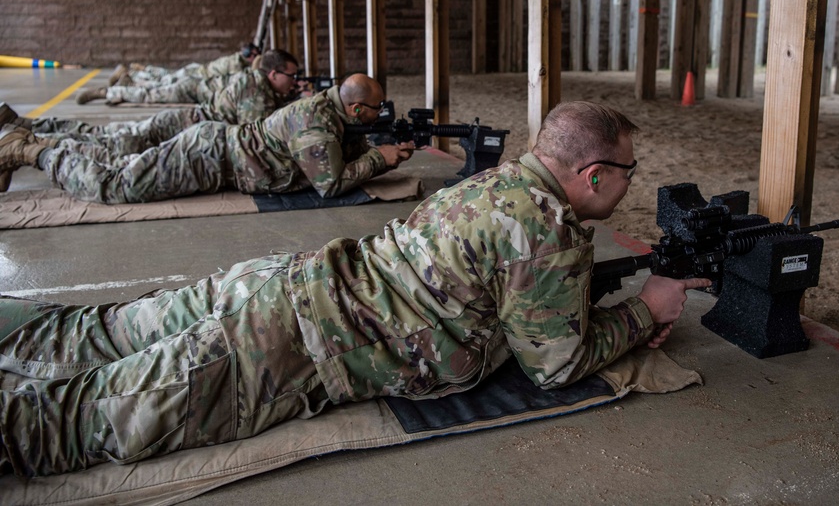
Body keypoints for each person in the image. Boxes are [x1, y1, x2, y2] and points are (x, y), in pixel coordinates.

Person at [0, 101, 706, 477]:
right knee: (70, 423)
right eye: (627, 170)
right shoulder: (545, 227)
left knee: (95, 334)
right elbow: (553, 363)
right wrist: (644, 311)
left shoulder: (500, 182)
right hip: (285, 344)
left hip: (278, 282)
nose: (629, 180)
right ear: (592, 175)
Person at [0, 73, 415, 200]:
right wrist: (383, 158)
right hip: (208, 156)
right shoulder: (314, 121)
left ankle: (34, 143)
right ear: (356, 108)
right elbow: (332, 182)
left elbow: (343, 152)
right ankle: (27, 151)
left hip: (215, 148)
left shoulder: (334, 114)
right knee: (116, 184)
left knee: (120, 162)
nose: (379, 114)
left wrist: (374, 145)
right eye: (376, 109)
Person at [1, 49, 301, 158]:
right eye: (291, 76)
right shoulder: (256, 89)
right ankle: (32, 141)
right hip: (180, 128)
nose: (294, 81)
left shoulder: (256, 83)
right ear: (273, 74)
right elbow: (258, 130)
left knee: (107, 135)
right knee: (108, 145)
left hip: (180, 123)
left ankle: (34, 126)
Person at [76, 43, 262, 106]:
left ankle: (132, 77)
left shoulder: (237, 66)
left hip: (196, 81)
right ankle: (110, 91)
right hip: (195, 86)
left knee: (161, 82)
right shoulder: (240, 70)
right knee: (155, 91)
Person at [105, 42, 262, 89]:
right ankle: (132, 77)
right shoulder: (236, 63)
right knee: (165, 82)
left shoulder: (236, 58)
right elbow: (243, 79)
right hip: (198, 76)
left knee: (167, 76)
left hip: (198, 71)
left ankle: (138, 71)